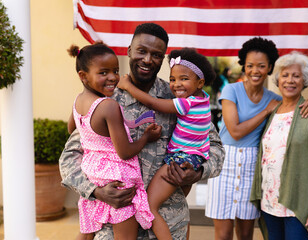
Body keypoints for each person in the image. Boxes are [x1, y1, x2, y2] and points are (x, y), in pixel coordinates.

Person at [59, 23, 225, 240]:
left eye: (156, 55)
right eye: (141, 51)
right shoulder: (104, 99)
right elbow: (69, 158)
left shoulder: (179, 96)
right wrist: (96, 191)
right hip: (113, 225)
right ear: (129, 51)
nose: (148, 59)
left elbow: (215, 148)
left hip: (168, 223)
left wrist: (199, 171)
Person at [205, 37, 308, 240]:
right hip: (225, 164)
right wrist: (265, 112)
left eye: (261, 66)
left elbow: (294, 102)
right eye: (249, 66)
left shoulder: (275, 98)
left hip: (252, 166)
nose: (255, 71)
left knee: (246, 233)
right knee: (222, 235)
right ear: (244, 66)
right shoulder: (232, 90)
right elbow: (235, 131)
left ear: (269, 67)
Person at [118, 47, 216, 240]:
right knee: (167, 202)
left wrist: (128, 87)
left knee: (150, 207)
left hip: (179, 161)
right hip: (192, 158)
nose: (176, 84)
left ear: (200, 82)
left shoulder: (186, 102)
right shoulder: (202, 100)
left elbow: (155, 104)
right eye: (173, 79)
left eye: (184, 79)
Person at [67, 42, 162, 240]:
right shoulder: (108, 106)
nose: (112, 77)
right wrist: (146, 137)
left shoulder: (78, 101)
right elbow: (125, 152)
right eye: (103, 72)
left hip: (94, 173)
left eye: (115, 71)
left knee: (86, 233)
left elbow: (72, 130)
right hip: (117, 179)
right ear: (83, 76)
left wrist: (94, 141)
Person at [250, 52, 308, 240]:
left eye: (296, 76)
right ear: (278, 79)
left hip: (296, 206)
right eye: (285, 75)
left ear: (304, 80)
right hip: (269, 203)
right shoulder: (273, 111)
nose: (290, 80)